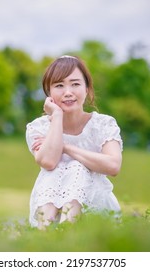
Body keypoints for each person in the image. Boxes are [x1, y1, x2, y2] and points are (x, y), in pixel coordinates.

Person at [25, 55, 123, 229]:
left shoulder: (103, 124)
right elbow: (48, 162)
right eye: (59, 85)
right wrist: (56, 115)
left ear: (87, 89)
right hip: (51, 209)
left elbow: (113, 165)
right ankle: (45, 234)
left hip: (96, 211)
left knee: (77, 166)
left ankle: (65, 232)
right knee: (55, 169)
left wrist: (66, 148)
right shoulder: (38, 127)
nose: (68, 92)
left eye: (75, 84)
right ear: (49, 94)